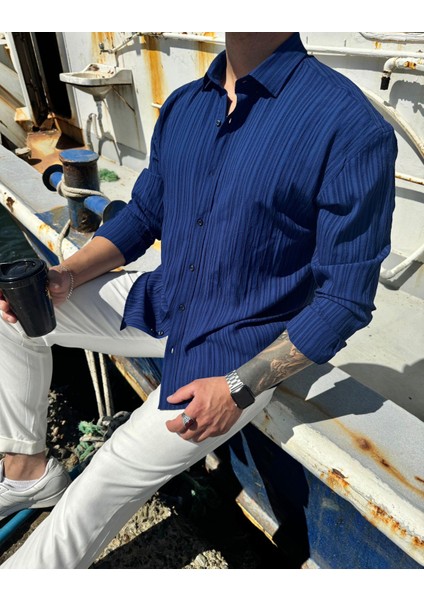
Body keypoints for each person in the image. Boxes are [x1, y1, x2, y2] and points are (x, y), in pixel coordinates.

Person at [0, 32, 397, 568]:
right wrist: (66, 274)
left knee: (103, 478)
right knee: (12, 317)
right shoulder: (186, 104)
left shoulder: (349, 126)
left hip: (234, 350)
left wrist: (239, 386)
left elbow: (343, 300)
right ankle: (27, 471)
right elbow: (144, 215)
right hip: (165, 300)